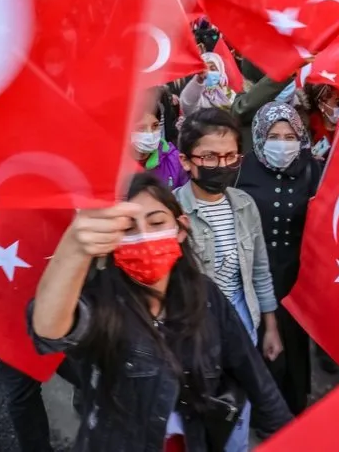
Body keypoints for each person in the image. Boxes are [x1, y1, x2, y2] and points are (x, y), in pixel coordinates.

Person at [29, 172, 291, 452]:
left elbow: (252, 371)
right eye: (127, 229)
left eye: (156, 223)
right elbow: (48, 330)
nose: (144, 237)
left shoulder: (205, 295)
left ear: (180, 229)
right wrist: (73, 248)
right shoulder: (101, 301)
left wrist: (292, 436)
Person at [174, 108, 283, 451]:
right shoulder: (171, 213)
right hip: (192, 334)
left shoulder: (245, 205)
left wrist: (270, 325)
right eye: (209, 156)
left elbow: (259, 270)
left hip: (243, 323)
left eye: (230, 155)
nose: (221, 165)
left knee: (237, 408)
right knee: (194, 415)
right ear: (186, 161)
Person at [236, 102, 321, 416]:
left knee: (292, 343)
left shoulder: (312, 168)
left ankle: (293, 409)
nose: (282, 143)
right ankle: (260, 413)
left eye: (289, 136)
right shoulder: (242, 168)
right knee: (255, 340)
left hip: (295, 274)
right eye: (274, 135)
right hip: (250, 270)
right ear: (260, 136)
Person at [132, 91, 189, 191]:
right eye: (140, 128)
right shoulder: (112, 166)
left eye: (155, 126)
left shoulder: (175, 160)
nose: (150, 134)